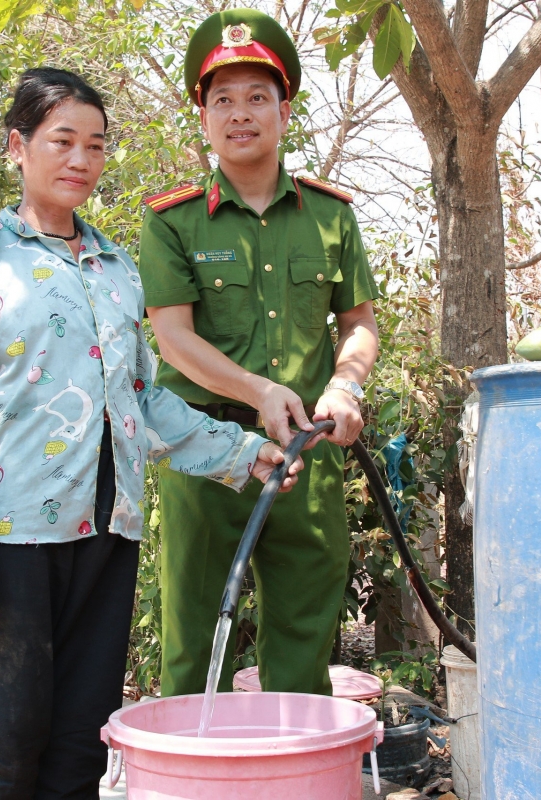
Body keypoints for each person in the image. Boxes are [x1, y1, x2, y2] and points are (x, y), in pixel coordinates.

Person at [0, 67, 301, 800]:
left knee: (78, 744)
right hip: (14, 536)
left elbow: (138, 403)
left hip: (108, 531)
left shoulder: (116, 268)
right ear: (18, 145)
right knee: (8, 737)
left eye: (95, 146)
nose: (80, 161)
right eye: (62, 141)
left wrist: (242, 451)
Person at [137, 9, 381, 698]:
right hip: (205, 452)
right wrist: (258, 393)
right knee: (192, 643)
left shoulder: (331, 215)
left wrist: (346, 387)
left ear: (284, 109)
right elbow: (173, 338)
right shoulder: (173, 221)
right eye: (222, 100)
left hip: (308, 451)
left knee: (304, 642)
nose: (239, 114)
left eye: (256, 98)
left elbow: (358, 324)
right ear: (203, 115)